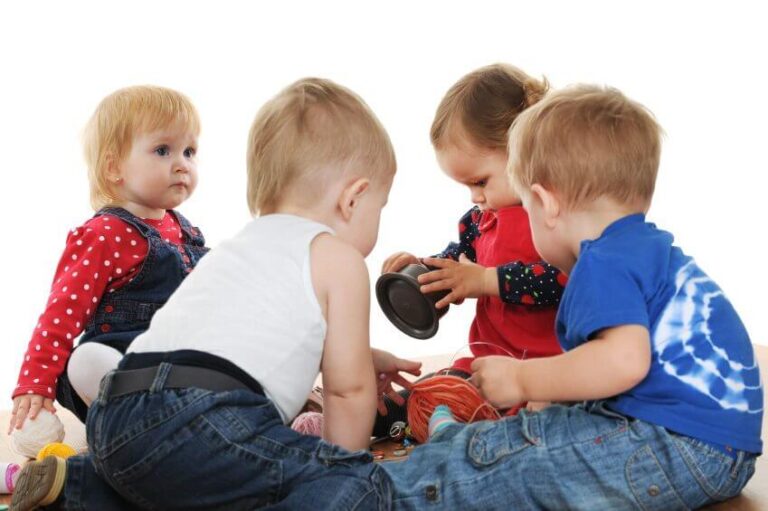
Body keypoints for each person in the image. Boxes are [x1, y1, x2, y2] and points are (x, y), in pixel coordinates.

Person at [10, 77, 420, 511]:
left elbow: (257, 336)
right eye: (382, 205)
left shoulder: (235, 247)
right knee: (361, 482)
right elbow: (347, 393)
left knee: (175, 479)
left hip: (118, 411)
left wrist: (359, 354)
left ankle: (79, 484)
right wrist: (339, 469)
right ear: (353, 199)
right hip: (206, 418)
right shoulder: (339, 259)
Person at [380, 84, 762, 509]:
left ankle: (379, 492)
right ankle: (462, 444)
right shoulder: (645, 249)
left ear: (544, 203)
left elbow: (623, 362)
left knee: (520, 469)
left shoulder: (603, 261)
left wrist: (523, 379)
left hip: (676, 445)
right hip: (713, 448)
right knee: (538, 435)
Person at [376, 64, 567, 435]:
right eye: (466, 186)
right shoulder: (479, 220)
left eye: (481, 181)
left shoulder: (556, 219)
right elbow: (457, 263)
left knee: (547, 418)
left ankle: (464, 433)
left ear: (526, 151)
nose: (476, 196)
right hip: (489, 360)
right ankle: (382, 415)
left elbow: (560, 281)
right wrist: (425, 271)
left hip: (546, 368)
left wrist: (487, 281)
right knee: (439, 387)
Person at [9, 86, 208, 432]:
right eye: (163, 150)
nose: (182, 165)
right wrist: (34, 382)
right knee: (87, 361)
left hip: (177, 373)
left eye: (189, 152)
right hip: (120, 374)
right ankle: (136, 425)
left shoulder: (187, 232)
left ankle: (204, 420)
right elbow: (61, 314)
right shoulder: (104, 234)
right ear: (115, 167)